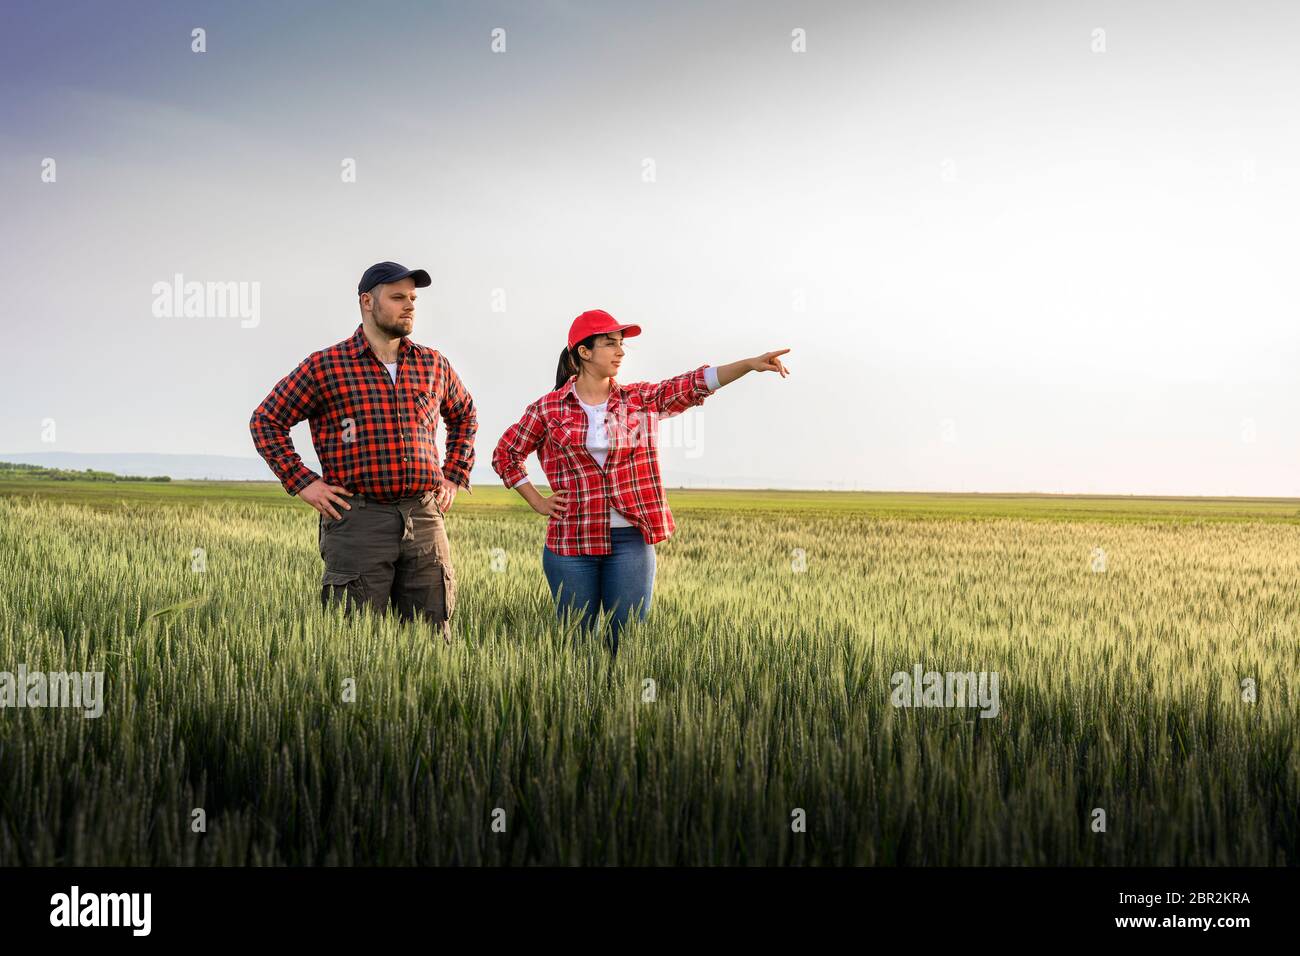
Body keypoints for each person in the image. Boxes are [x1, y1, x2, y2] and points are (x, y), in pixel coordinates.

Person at [492, 308, 790, 654]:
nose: (620, 352)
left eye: (621, 344)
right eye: (609, 344)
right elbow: (506, 454)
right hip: (570, 542)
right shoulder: (548, 409)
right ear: (583, 352)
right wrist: (538, 501)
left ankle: (621, 706)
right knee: (575, 646)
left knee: (627, 644)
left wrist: (749, 364)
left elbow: (691, 385)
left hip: (631, 541)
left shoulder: (639, 400)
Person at [249, 261, 476, 644]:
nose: (410, 306)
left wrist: (454, 474)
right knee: (353, 642)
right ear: (367, 302)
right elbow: (266, 421)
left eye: (413, 298)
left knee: (431, 640)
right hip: (358, 521)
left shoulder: (432, 364)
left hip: (423, 517)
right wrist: (304, 483)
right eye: (398, 297)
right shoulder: (326, 366)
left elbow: (465, 415)